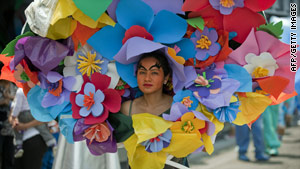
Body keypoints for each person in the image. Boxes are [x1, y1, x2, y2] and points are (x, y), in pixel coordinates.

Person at [120, 51, 189, 168]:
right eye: (142, 72)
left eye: (154, 73)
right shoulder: (127, 109)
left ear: (166, 78)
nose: (147, 78)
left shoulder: (177, 106)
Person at [10, 88, 56, 158]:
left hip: (24, 114)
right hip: (34, 113)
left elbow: (17, 107)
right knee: (43, 128)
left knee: (18, 129)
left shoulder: (20, 91)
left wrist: (14, 116)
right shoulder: (37, 89)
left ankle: (19, 146)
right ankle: (52, 143)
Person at [0, 80, 15, 169]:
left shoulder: (13, 86)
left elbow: (19, 99)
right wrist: (3, 102)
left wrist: (9, 98)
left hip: (10, 128)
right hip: (1, 126)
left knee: (9, 156)